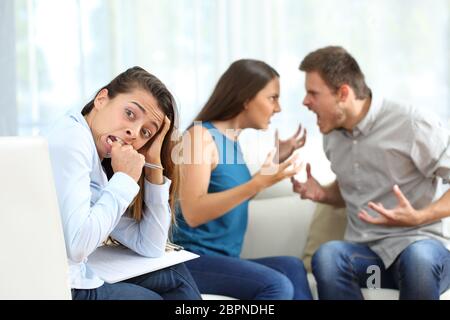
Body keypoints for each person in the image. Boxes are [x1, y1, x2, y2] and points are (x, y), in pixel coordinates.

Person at [292, 46, 450, 300]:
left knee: (418, 260)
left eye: (313, 93)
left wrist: (419, 216)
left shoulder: (411, 123)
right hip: (370, 262)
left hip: (421, 250)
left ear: (343, 93)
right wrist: (323, 193)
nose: (305, 101)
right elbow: (353, 189)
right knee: (329, 256)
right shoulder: (332, 137)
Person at [46, 66, 201, 300]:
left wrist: (153, 160)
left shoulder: (97, 160)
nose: (134, 133)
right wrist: (125, 179)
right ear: (101, 99)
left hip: (72, 273)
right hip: (62, 285)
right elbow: (78, 246)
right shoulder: (72, 141)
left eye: (146, 133)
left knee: (175, 275)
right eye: (130, 114)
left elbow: (151, 245)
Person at [173, 59, 313, 300]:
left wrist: (276, 161)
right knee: (277, 285)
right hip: (191, 260)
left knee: (292, 266)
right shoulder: (200, 137)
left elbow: (234, 195)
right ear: (246, 98)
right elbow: (193, 211)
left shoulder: (232, 143)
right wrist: (257, 182)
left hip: (222, 260)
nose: (278, 108)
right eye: (272, 98)